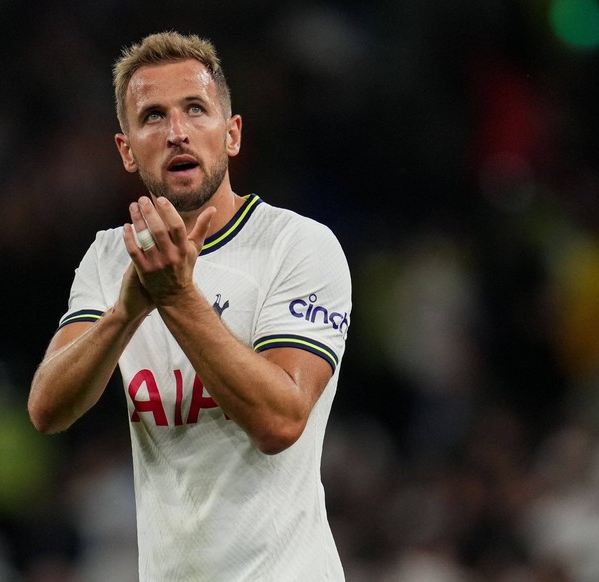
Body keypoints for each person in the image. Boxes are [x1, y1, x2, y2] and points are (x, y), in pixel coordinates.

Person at [28, 31, 351, 581]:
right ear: (127, 150)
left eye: (195, 110)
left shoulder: (298, 245)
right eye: (153, 116)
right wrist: (125, 313)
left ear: (232, 135)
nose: (177, 132)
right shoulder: (111, 257)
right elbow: (47, 408)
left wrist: (175, 297)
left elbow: (281, 419)